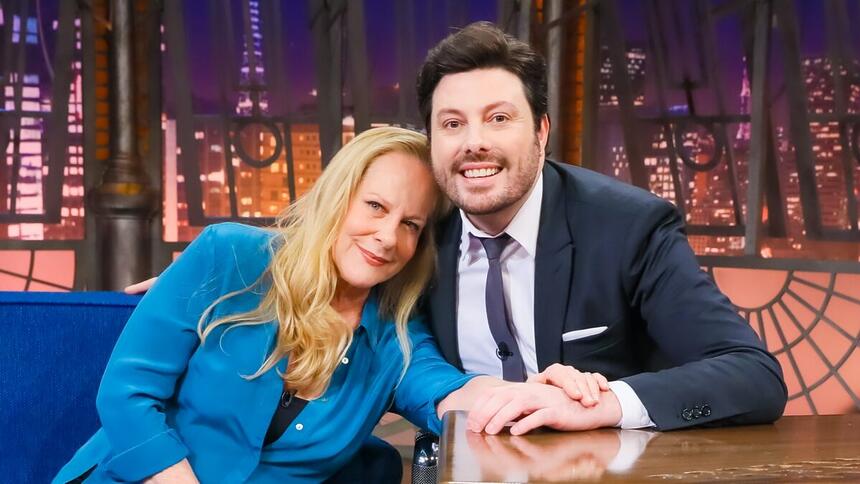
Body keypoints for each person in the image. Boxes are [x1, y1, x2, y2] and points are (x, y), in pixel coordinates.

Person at [55, 127, 607, 483]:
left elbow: (448, 392)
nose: (387, 237)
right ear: (337, 196)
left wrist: (531, 394)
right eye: (374, 205)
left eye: (410, 225)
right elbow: (127, 396)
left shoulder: (393, 332)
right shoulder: (231, 256)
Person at [416, 21, 787, 435]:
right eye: (452, 124)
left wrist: (605, 402)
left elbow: (754, 376)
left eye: (499, 118)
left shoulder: (628, 228)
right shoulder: (416, 233)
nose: (474, 143)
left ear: (541, 131)